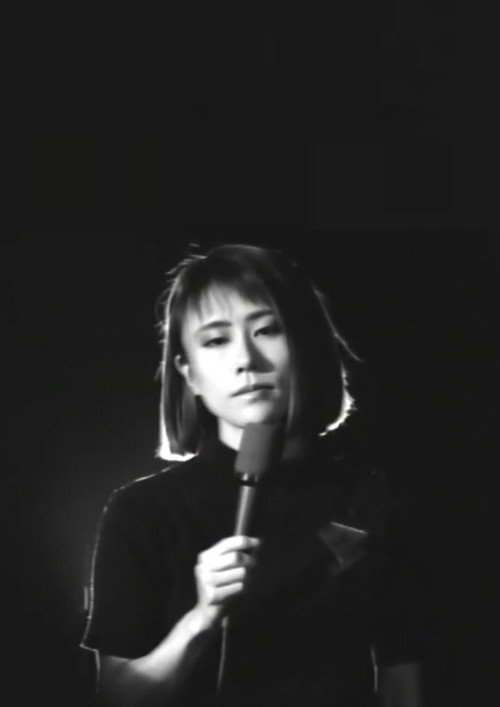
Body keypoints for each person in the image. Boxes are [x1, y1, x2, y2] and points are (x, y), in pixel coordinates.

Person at [81, 243, 426, 706]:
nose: (246, 359)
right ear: (188, 372)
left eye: (267, 330)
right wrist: (201, 619)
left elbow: (403, 682)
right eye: (215, 340)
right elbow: (116, 696)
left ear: (304, 344)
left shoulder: (371, 500)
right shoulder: (141, 512)